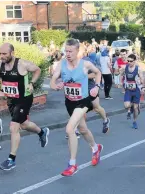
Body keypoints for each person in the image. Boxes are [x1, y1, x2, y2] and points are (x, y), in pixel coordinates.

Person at [0, 43, 50, 171]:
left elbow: (37, 70)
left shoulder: (22, 64)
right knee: (23, 124)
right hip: (11, 100)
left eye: (4, 54)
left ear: (12, 53)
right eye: (0, 54)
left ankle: (11, 159)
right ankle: (42, 132)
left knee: (13, 127)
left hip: (24, 99)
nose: (2, 56)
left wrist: (32, 83)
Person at [50, 39, 103, 176]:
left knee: (69, 129)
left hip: (83, 101)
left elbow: (98, 73)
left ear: (77, 51)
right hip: (70, 102)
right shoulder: (61, 65)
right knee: (83, 129)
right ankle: (95, 148)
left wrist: (96, 87)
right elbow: (53, 80)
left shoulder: (85, 64)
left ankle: (72, 164)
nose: (67, 54)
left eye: (70, 51)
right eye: (66, 51)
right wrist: (55, 85)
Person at [122, 54, 144, 129]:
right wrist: (121, 83)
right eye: (128, 61)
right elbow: (122, 75)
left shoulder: (138, 69)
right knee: (126, 105)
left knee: (135, 108)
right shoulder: (125, 68)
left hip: (136, 90)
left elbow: (142, 79)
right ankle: (130, 108)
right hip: (128, 90)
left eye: (131, 61)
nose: (129, 62)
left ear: (134, 61)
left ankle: (134, 121)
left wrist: (141, 81)